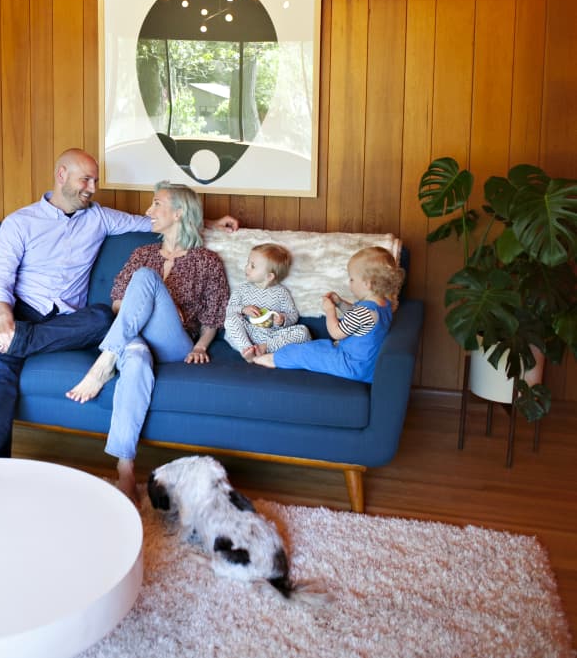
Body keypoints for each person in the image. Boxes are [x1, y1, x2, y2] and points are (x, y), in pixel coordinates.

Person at [0, 149, 238, 471]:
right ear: (61, 175)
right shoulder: (20, 222)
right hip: (18, 309)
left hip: (67, 320)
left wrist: (208, 222)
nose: (92, 188)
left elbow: (159, 221)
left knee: (103, 316)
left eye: (95, 181)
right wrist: (4, 319)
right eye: (85, 180)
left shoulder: (100, 217)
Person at [65, 181, 231, 502]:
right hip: (135, 339)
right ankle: (125, 469)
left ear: (179, 213)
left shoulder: (206, 261)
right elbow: (117, 305)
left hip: (174, 342)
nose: (148, 211)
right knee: (137, 358)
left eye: (156, 204)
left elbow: (213, 318)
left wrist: (200, 346)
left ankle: (104, 362)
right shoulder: (142, 253)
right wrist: (144, 311)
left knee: (145, 278)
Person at [252, 246, 405, 383]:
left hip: (349, 364)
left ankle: (274, 359)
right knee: (318, 346)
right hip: (366, 367)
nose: (349, 283)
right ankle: (278, 355)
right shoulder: (383, 305)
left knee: (305, 352)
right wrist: (340, 303)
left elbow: (336, 333)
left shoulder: (363, 312)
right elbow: (357, 318)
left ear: (367, 283)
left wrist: (330, 311)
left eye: (352, 279)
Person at [224, 243, 311, 361]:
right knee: (230, 320)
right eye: (247, 263)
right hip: (247, 333)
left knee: (303, 331)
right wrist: (243, 309)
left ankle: (263, 349)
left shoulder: (281, 292)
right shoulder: (241, 290)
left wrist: (282, 319)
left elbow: (293, 314)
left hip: (272, 336)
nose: (246, 267)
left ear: (269, 276)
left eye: (252, 266)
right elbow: (229, 310)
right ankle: (248, 350)